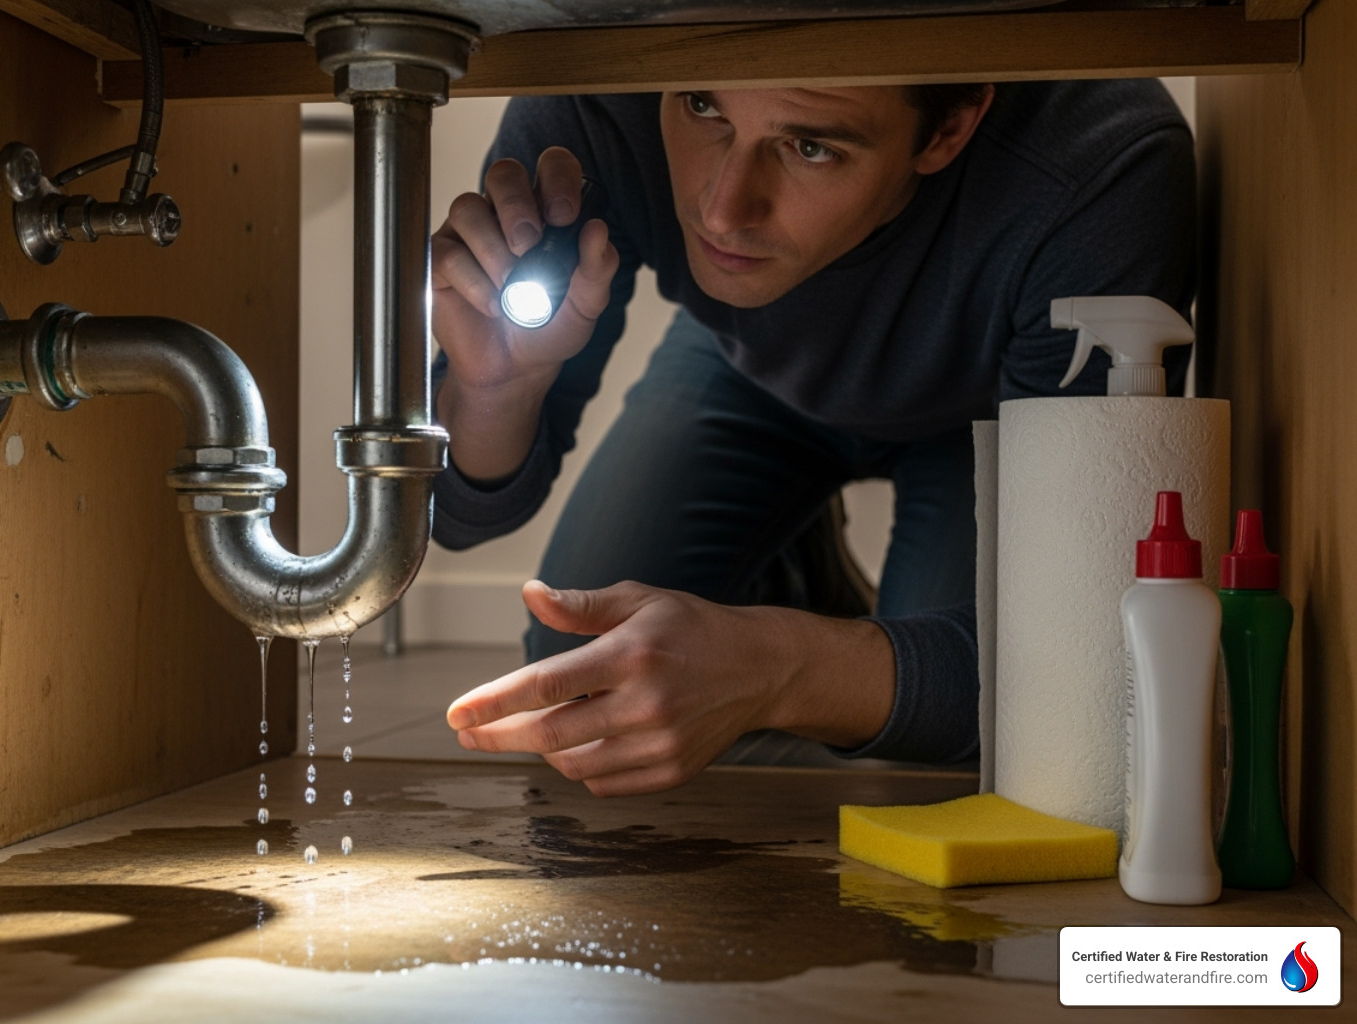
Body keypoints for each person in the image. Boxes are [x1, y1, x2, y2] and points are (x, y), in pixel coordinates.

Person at [427, 81, 1194, 796]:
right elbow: (461, 516)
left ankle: (794, 611)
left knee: (974, 729)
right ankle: (799, 579)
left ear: (949, 127)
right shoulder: (597, 93)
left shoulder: (1098, 166)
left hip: (1000, 415)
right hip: (751, 367)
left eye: (812, 147)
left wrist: (777, 665)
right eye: (702, 106)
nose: (724, 210)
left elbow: (1067, 665)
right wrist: (496, 389)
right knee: (585, 672)